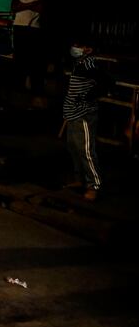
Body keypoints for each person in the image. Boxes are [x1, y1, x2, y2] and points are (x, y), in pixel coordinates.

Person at [63, 35, 108, 202]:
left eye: (78, 45)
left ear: (88, 49)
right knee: (73, 146)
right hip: (72, 112)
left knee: (86, 150)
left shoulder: (90, 64)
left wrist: (88, 97)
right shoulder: (79, 63)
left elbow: (107, 82)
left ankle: (93, 185)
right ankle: (80, 179)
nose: (75, 48)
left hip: (84, 114)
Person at [11, 0, 46, 94]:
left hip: (33, 28)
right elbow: (14, 7)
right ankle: (18, 85)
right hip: (19, 26)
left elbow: (41, 9)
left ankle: (32, 86)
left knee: (33, 58)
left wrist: (23, 6)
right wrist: (32, 4)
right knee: (19, 57)